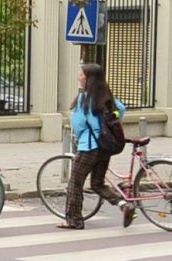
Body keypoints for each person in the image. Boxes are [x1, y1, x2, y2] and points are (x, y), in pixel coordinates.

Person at [57, 63, 134, 230]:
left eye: (81, 74)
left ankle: (74, 220)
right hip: (105, 146)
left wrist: (81, 137)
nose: (79, 77)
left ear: (88, 78)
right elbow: (121, 109)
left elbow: (78, 125)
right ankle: (123, 204)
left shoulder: (84, 99)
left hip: (89, 147)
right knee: (97, 183)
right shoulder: (106, 96)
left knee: (74, 184)